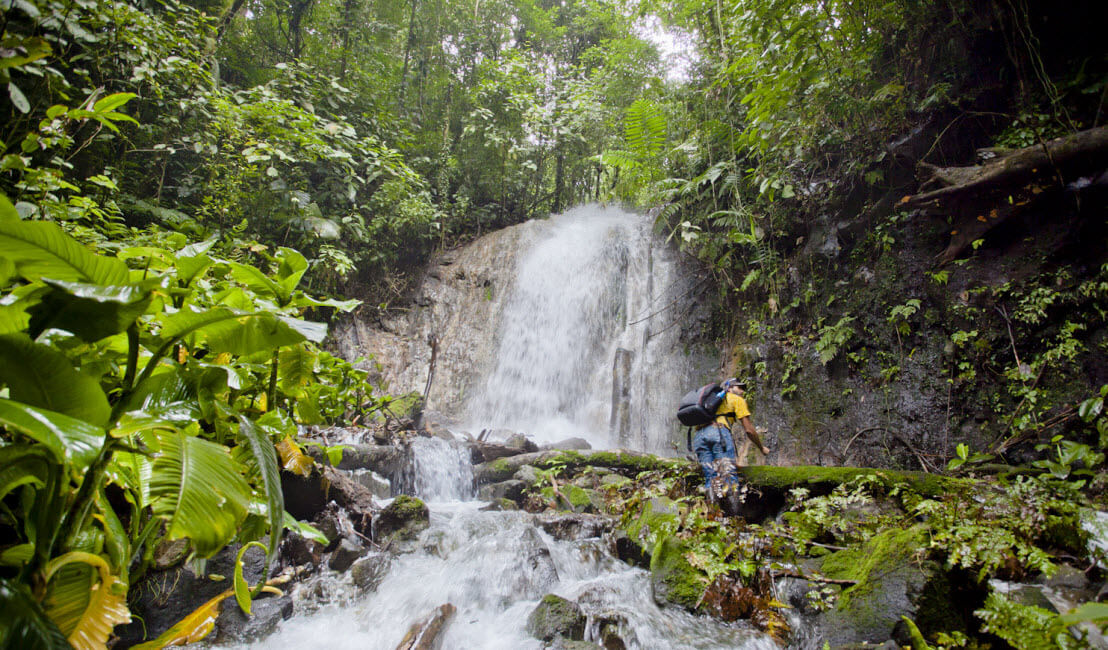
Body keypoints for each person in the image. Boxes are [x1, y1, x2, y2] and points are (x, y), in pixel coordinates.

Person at [692, 378, 770, 497]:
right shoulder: (736, 399)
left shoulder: (708, 401)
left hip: (699, 437)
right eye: (739, 387)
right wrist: (761, 447)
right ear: (729, 388)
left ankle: (713, 511)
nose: (742, 391)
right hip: (718, 433)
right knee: (728, 477)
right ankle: (734, 513)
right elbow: (749, 430)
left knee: (711, 479)